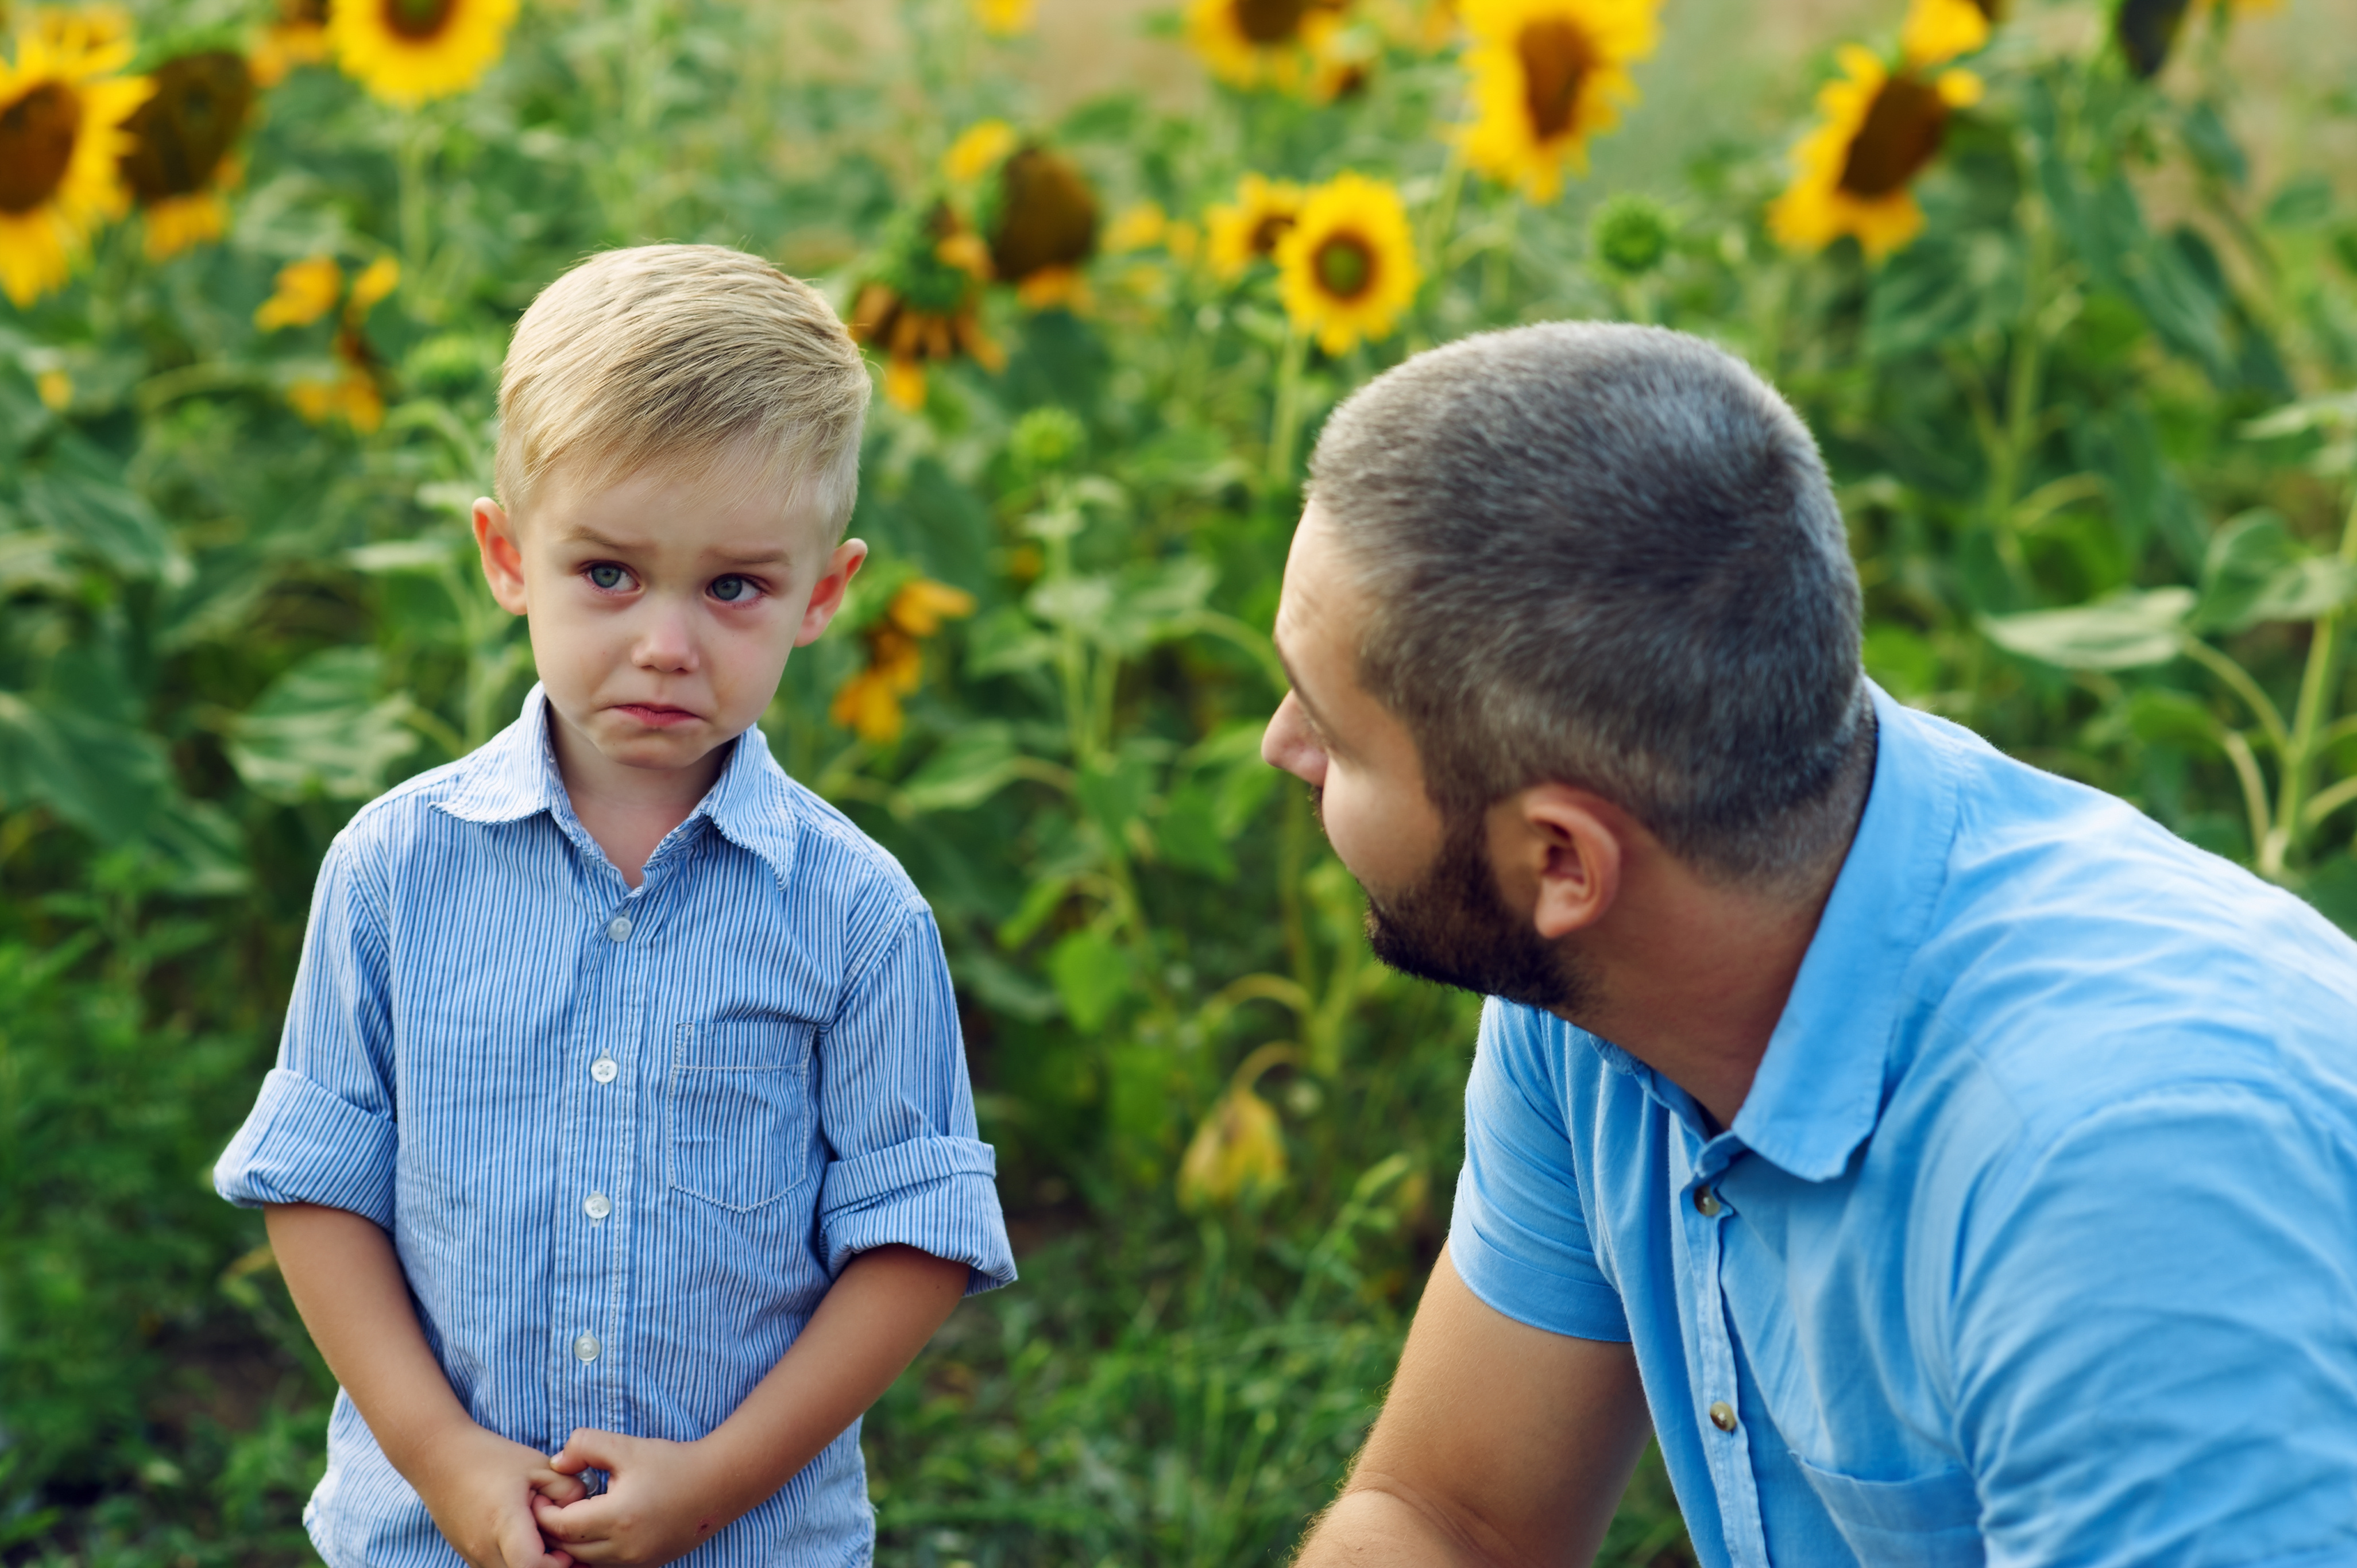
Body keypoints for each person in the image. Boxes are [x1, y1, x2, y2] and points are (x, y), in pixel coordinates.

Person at [1265, 322, 2357, 1567]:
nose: (1281, 745)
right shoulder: (1597, 993)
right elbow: (1454, 1520)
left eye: (1333, 729)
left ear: (1564, 860)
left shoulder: (2115, 1187)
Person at [214, 245, 1015, 1568]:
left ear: (823, 593)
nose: (665, 644)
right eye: (607, 573)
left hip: (747, 1537)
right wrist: (444, 1455)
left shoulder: (859, 916)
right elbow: (317, 1186)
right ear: (507, 556)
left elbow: (915, 1240)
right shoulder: (393, 871)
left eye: (734, 586)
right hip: (430, 1532)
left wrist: (712, 1485)